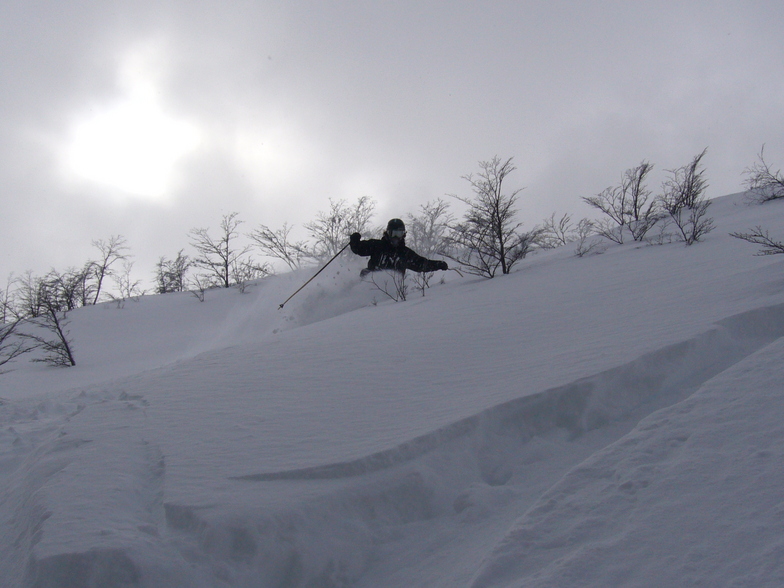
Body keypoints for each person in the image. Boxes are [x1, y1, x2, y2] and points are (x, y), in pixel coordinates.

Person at [350, 218, 448, 276]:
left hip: (392, 291)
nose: (396, 237)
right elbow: (359, 249)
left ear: (403, 235)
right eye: (394, 233)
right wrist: (354, 240)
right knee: (365, 273)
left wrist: (438, 265)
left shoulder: (405, 253)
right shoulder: (377, 245)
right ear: (388, 233)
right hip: (370, 281)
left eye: (399, 234)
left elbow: (421, 264)